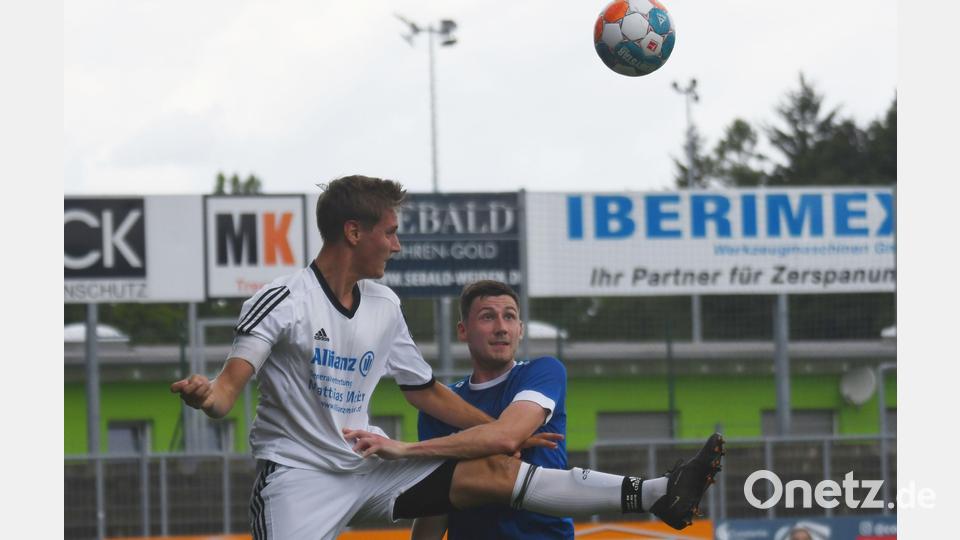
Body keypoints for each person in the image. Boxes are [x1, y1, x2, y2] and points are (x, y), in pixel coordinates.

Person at [172, 175, 724, 540]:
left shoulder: (384, 305)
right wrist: (206, 396)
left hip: (365, 470)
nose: (397, 244)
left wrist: (502, 432)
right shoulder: (284, 299)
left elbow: (425, 390)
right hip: (298, 478)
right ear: (353, 231)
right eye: (390, 232)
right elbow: (226, 393)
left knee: (494, 468)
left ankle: (657, 493)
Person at [412, 280, 575, 539]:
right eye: (488, 317)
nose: (501, 328)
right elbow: (436, 500)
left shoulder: (543, 372)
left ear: (520, 329)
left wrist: (404, 450)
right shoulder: (440, 407)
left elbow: (507, 436)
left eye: (509, 317)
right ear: (463, 330)